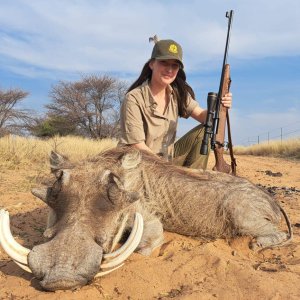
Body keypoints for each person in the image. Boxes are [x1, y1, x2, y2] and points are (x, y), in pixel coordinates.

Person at [119, 37, 232, 170]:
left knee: (204, 130)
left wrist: (221, 106)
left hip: (167, 163)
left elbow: (203, 116)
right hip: (140, 163)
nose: (169, 70)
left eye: (174, 65)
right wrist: (169, 170)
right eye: (164, 63)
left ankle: (194, 182)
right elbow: (137, 146)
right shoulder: (133, 98)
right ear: (152, 64)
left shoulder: (178, 94)